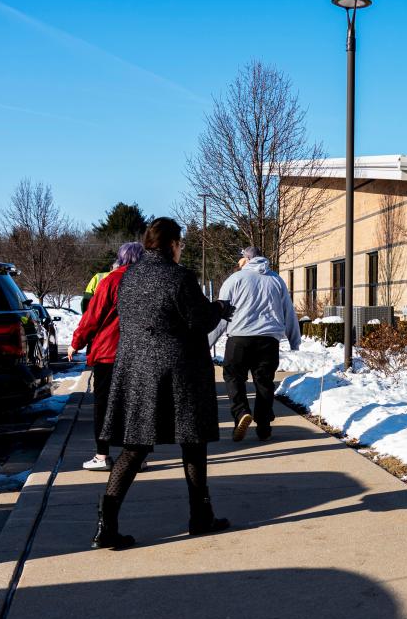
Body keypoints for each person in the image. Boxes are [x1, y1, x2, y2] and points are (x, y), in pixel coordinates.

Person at [92, 218, 234, 549]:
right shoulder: (180, 277)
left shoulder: (128, 278)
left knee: (133, 447)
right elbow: (199, 319)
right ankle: (200, 516)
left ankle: (106, 524)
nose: (181, 249)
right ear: (172, 243)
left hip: (138, 372)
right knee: (193, 442)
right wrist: (219, 308)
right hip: (179, 372)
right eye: (180, 243)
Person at [68, 242, 144, 472]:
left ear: (121, 258)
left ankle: (102, 456)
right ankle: (136, 456)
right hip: (139, 355)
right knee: (135, 406)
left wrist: (76, 343)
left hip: (108, 354)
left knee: (104, 406)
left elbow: (92, 317)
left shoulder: (109, 281)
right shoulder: (147, 283)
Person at [215, 246, 300, 442]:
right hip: (268, 340)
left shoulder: (234, 279)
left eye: (240, 259)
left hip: (239, 338)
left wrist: (207, 341)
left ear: (246, 260)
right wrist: (295, 340)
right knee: (264, 381)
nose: (238, 262)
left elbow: (220, 314)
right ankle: (264, 425)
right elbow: (288, 311)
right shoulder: (276, 280)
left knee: (233, 376)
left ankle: (241, 413)